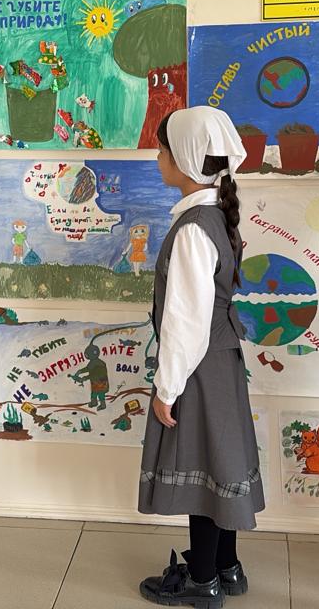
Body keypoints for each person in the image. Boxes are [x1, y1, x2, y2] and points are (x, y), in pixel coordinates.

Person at [138, 106, 263, 609]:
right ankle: (226, 567)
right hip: (220, 361)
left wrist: (166, 388)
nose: (158, 158)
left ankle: (203, 581)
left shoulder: (193, 228)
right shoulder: (214, 215)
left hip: (199, 367)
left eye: (162, 150)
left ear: (185, 161)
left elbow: (185, 322)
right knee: (220, 463)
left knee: (201, 467)